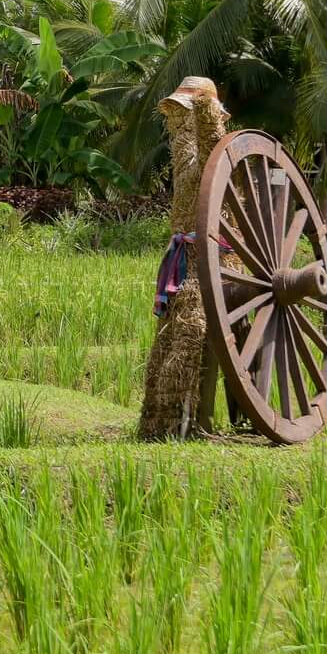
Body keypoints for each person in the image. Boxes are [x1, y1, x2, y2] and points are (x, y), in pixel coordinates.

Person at [138, 77, 229, 441]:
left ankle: (186, 421)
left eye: (184, 113)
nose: (179, 122)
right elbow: (189, 150)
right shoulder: (186, 165)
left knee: (191, 328)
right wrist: (185, 114)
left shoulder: (223, 164)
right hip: (184, 257)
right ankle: (156, 424)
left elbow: (213, 153)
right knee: (164, 341)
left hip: (212, 262)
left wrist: (206, 108)